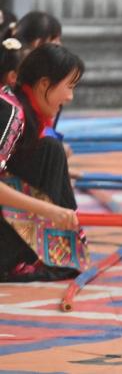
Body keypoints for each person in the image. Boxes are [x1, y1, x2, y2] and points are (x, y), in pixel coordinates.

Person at [0, 43, 88, 281]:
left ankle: (49, 254)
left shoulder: (22, 110)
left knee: (50, 151)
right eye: (69, 87)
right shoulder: (11, 113)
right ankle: (17, 259)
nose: (70, 97)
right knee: (52, 151)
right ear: (44, 84)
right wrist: (50, 210)